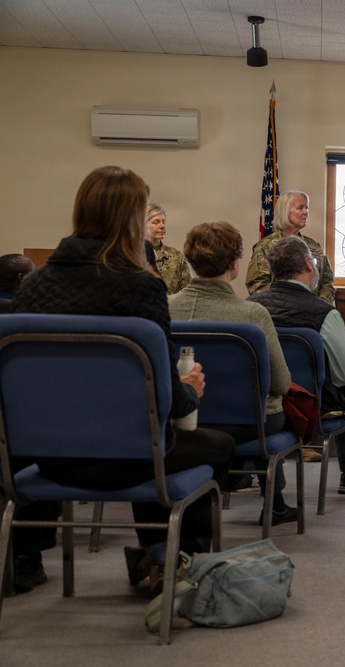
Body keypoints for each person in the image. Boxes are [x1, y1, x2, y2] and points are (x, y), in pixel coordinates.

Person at [9, 166, 235, 594]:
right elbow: (167, 398)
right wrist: (190, 391)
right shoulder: (140, 288)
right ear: (134, 220)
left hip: (44, 454)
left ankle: (26, 556)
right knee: (215, 445)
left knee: (99, 427)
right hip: (130, 457)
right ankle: (165, 558)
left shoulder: (33, 285)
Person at [168, 221, 298, 527]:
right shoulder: (252, 315)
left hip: (179, 416)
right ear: (235, 264)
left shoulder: (164, 308)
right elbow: (281, 383)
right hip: (248, 424)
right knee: (278, 406)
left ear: (190, 260)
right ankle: (274, 502)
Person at [249, 235, 345, 494]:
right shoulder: (324, 313)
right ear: (308, 265)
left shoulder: (249, 309)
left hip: (262, 401)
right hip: (315, 402)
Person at [246, 190, 336, 304]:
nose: (306, 212)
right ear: (285, 211)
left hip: (312, 313)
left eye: (307, 208)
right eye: (300, 208)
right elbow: (257, 284)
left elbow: (327, 281)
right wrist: (285, 306)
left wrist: (320, 305)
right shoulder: (265, 247)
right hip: (279, 313)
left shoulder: (314, 246)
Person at [145, 203, 192, 295]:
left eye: (163, 222)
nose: (162, 226)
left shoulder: (176, 256)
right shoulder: (130, 255)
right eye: (156, 222)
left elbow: (188, 292)